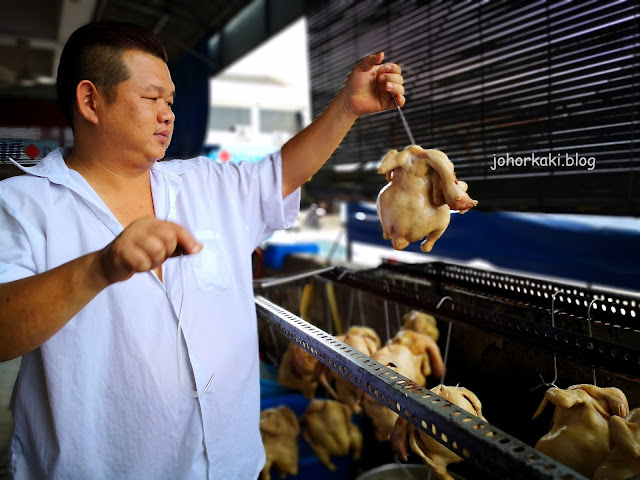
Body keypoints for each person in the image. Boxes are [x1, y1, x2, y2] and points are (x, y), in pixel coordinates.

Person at [0, 21, 405, 479]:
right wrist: (100, 267)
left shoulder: (204, 185)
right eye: (152, 98)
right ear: (91, 100)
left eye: (170, 102)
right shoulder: (25, 205)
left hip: (232, 466)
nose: (168, 114)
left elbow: (281, 175)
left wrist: (348, 107)